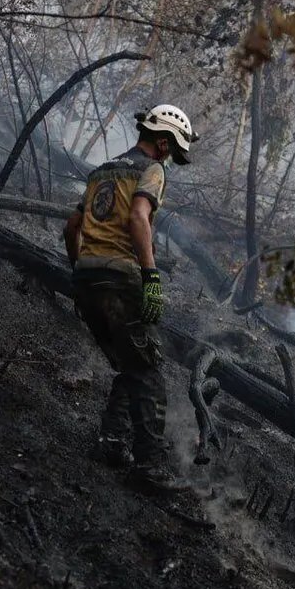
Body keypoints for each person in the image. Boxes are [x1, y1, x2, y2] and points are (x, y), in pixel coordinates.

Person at [63, 105, 197, 493]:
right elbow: (139, 217)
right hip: (121, 280)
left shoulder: (100, 172)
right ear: (161, 142)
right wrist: (151, 277)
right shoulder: (151, 170)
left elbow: (72, 227)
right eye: (171, 151)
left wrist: (79, 270)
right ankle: (150, 466)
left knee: (129, 363)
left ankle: (111, 443)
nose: (169, 158)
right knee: (149, 372)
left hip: (88, 278)